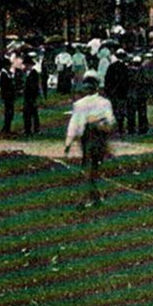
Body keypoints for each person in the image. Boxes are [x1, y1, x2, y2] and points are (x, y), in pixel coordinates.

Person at [64, 73, 116, 207]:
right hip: (100, 137)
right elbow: (110, 121)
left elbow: (74, 124)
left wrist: (68, 143)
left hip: (87, 137)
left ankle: (85, 199)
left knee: (88, 167)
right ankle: (94, 198)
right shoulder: (105, 102)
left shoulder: (79, 104)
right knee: (95, 168)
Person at [21, 55, 43, 137]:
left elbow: (35, 86)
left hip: (32, 96)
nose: (26, 66)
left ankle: (36, 129)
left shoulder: (34, 74)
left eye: (27, 65)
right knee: (26, 113)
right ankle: (27, 129)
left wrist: (36, 96)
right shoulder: (25, 73)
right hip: (27, 96)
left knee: (34, 113)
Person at [0, 57, 20, 134]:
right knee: (8, 112)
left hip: (10, 95)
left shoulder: (7, 73)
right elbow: (5, 86)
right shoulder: (3, 74)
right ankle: (6, 128)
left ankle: (7, 127)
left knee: (10, 112)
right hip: (7, 96)